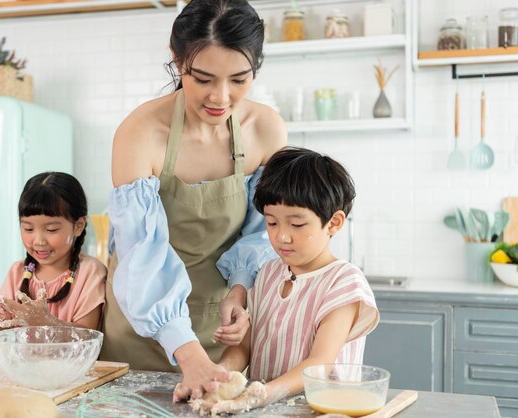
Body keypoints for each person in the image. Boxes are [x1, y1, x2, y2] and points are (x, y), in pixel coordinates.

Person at [100, 0, 287, 402]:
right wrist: (187, 353)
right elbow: (140, 253)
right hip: (140, 326)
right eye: (203, 79)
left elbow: (263, 231)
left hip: (219, 330)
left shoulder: (266, 130)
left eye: (239, 80)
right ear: (177, 60)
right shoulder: (140, 133)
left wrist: (239, 290)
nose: (220, 97)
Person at [197, 147, 380, 414]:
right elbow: (244, 347)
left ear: (333, 223)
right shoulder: (268, 274)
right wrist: (220, 375)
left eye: (296, 225)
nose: (282, 236)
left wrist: (260, 395)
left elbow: (320, 362)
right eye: (272, 223)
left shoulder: (344, 283)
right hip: (268, 410)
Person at [0, 172, 106, 338]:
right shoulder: (18, 271)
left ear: (78, 226)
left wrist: (46, 323)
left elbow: (88, 337)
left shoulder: (90, 272)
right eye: (28, 229)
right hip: (25, 364)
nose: (38, 241)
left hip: (71, 364)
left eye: (51, 229)